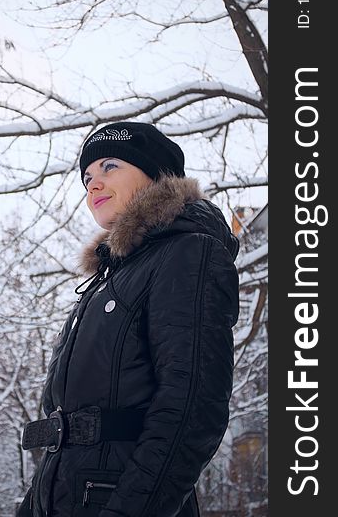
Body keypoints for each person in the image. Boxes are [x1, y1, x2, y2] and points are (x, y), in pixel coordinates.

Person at [17, 122, 239, 517]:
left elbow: (191, 409)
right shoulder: (108, 280)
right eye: (87, 176)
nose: (93, 185)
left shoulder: (188, 254)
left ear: (156, 174)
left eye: (110, 166)